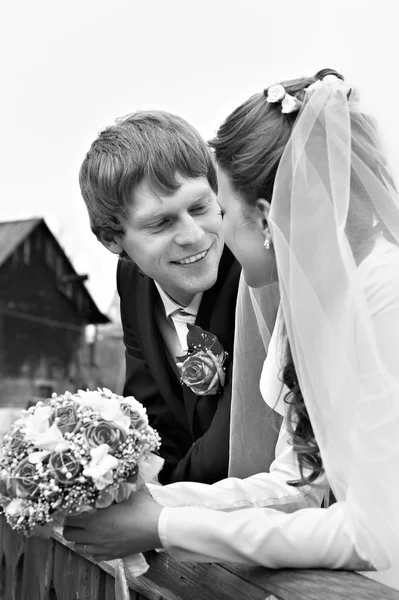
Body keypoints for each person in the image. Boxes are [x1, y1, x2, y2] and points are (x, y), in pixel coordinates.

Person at [65, 69, 399, 590]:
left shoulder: (385, 297)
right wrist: (145, 506)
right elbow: (297, 484)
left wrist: (164, 524)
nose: (207, 230)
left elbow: (376, 531)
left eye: (216, 206)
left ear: (264, 218)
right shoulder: (303, 303)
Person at [79, 111, 280, 485]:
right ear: (112, 239)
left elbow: (236, 441)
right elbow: (151, 412)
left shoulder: (256, 273)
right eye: (160, 223)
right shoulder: (132, 280)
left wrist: (156, 508)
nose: (193, 236)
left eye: (200, 207)